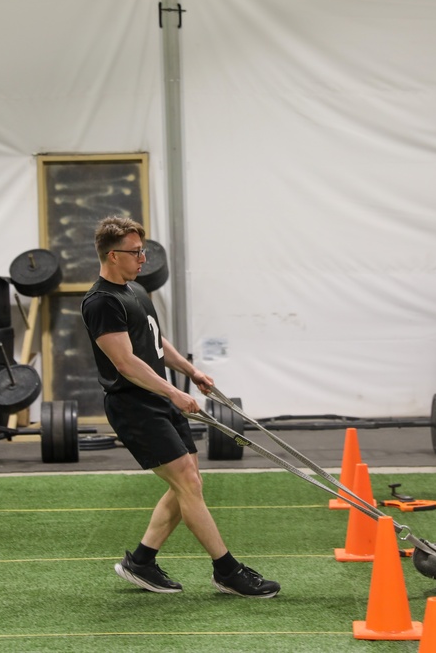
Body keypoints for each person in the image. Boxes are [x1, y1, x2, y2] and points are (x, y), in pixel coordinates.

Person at [81, 216, 279, 597]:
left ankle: (140, 562)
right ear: (111, 255)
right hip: (134, 405)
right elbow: (126, 363)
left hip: (158, 398)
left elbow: (154, 342)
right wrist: (174, 393)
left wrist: (191, 372)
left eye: (143, 250)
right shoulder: (101, 302)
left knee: (188, 481)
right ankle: (227, 570)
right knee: (187, 483)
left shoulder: (134, 290)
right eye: (135, 252)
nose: (142, 258)